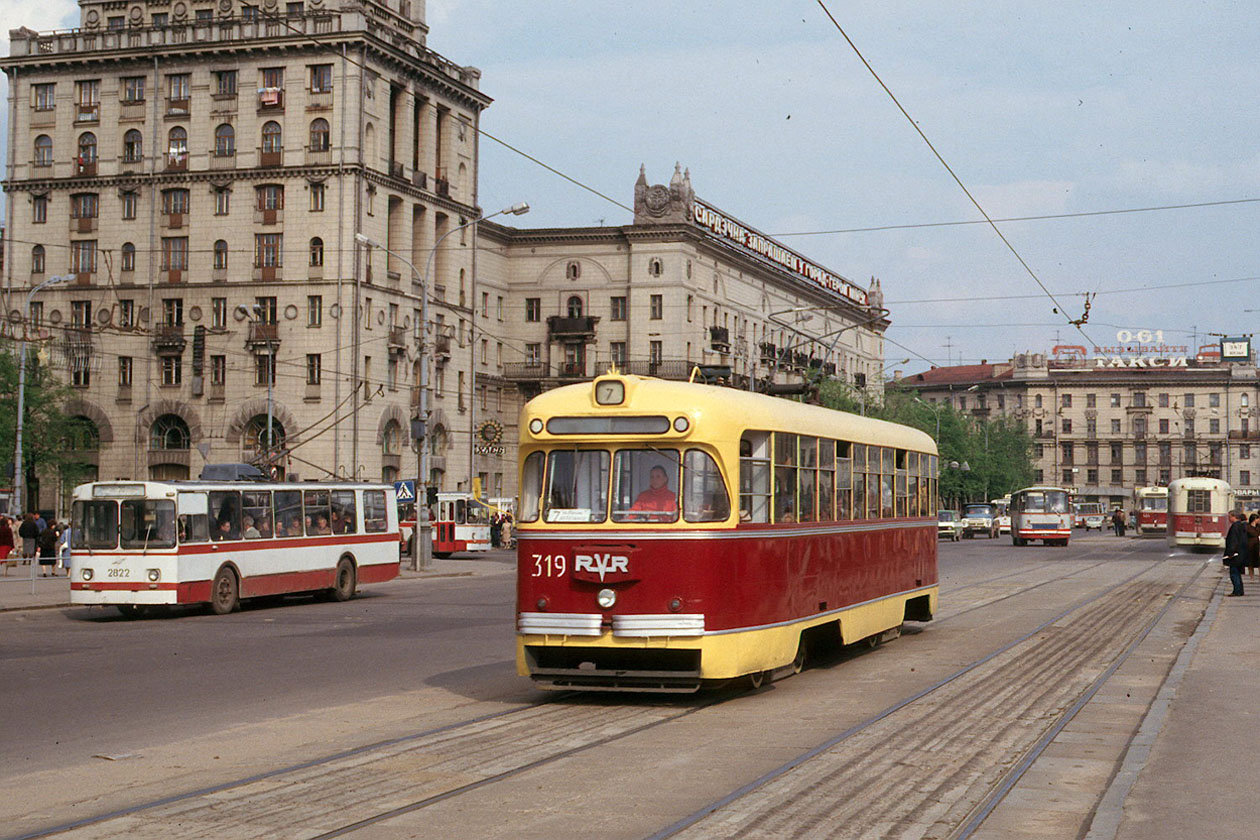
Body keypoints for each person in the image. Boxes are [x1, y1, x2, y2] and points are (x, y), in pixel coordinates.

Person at [1224, 509, 1248, 596]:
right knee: (1237, 572)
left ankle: (1237, 591)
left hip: (1235, 554)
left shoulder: (1235, 526)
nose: (1229, 519)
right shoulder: (1242, 525)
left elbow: (1233, 541)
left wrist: (1230, 553)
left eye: (1229, 517)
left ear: (1233, 517)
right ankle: (1240, 590)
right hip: (1241, 553)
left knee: (1234, 573)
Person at [1247, 513, 1260, 582]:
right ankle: (1251, 577)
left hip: (1257, 546)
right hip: (1250, 546)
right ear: (1255, 519)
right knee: (1250, 563)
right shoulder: (1248, 527)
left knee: (1259, 562)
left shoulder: (1258, 526)